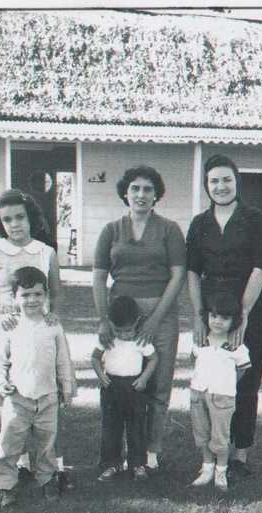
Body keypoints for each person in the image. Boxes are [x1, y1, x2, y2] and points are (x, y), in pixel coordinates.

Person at [92, 165, 186, 472]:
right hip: (122, 313)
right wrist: (104, 319)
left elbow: (178, 276)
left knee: (158, 382)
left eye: (147, 189)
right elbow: (98, 278)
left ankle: (150, 449)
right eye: (135, 188)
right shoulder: (111, 230)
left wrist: (156, 318)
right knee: (120, 380)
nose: (141, 194)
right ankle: (115, 451)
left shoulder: (169, 229)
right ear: (125, 193)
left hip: (161, 311)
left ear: (156, 194)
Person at [186, 154, 262, 478]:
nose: (220, 186)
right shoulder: (199, 224)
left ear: (237, 181)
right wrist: (197, 316)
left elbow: (260, 267)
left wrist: (245, 315)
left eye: (226, 179)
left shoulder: (255, 220)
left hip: (249, 307)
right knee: (211, 383)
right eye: (213, 181)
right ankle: (211, 454)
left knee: (246, 381)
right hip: (212, 314)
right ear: (206, 186)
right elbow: (193, 272)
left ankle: (240, 454)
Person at [0, 266, 76, 508]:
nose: (32, 300)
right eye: (25, 295)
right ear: (15, 298)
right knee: (9, 442)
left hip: (47, 397)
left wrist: (66, 389)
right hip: (18, 397)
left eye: (38, 294)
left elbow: (63, 361)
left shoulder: (53, 326)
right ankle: (5, 484)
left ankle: (48, 479)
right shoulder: (10, 326)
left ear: (46, 295)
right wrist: (2, 381)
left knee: (46, 443)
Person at [0, 189, 60, 407]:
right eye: (7, 220)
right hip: (5, 327)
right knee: (8, 390)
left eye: (20, 217)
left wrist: (52, 315)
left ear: (30, 217)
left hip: (37, 325)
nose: (14, 224)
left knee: (35, 385)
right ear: (0, 224)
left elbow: (55, 294)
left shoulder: (46, 252)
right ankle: (9, 437)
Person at [189, 292, 251, 493]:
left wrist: (228, 383)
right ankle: (207, 467)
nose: (217, 322)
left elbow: (242, 369)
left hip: (223, 396)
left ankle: (220, 471)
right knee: (202, 433)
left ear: (234, 321)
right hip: (198, 393)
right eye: (214, 316)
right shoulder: (200, 340)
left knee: (220, 436)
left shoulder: (235, 346)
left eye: (224, 318)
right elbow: (194, 361)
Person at [91, 295, 159, 482]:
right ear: (110, 323)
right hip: (111, 387)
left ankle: (137, 464)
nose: (124, 334)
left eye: (128, 330)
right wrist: (101, 375)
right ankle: (111, 464)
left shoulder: (141, 341)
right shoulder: (107, 339)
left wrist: (144, 378)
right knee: (111, 427)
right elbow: (95, 357)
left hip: (134, 388)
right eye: (118, 330)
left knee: (136, 427)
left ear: (137, 322)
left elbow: (153, 359)